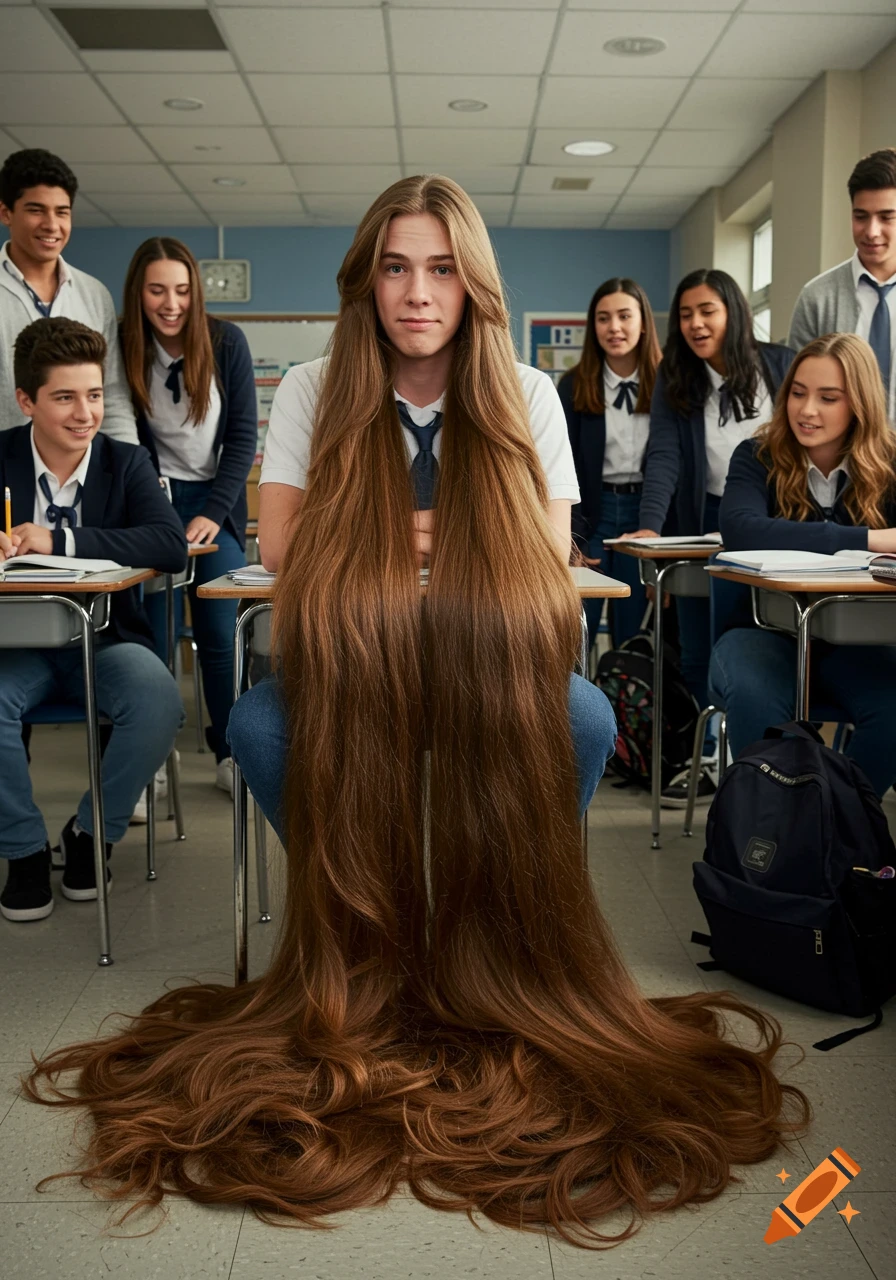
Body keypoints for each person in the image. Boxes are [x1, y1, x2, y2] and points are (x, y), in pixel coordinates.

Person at [23, 179, 808, 1245]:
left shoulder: (526, 391)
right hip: (350, 664)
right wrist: (449, 535)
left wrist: (391, 530)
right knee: (258, 728)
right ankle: (376, 927)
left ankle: (498, 921)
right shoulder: (311, 386)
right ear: (366, 278)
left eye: (440, 267)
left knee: (580, 719)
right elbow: (291, 552)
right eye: (395, 266)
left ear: (471, 280)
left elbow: (543, 550)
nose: (416, 291)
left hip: (483, 659)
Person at [0, 318, 186, 923]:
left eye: (95, 395)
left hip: (107, 642)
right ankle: (24, 850)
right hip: (15, 651)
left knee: (159, 700)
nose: (85, 414)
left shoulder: (126, 463)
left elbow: (169, 544)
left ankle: (89, 834)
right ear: (26, 400)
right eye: (64, 397)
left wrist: (59, 538)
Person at [630, 268, 794, 806]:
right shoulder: (676, 376)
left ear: (733, 312)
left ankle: (771, 756)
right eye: (685, 314)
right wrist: (652, 527)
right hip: (704, 525)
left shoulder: (780, 363)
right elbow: (664, 457)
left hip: (777, 524)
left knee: (767, 638)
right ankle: (712, 757)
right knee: (698, 645)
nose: (696, 324)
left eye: (708, 311)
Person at [711, 332, 896, 797]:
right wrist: (871, 539)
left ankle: (840, 829)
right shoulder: (756, 455)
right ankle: (768, 836)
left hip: (857, 643)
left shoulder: (890, 464)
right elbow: (742, 531)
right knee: (757, 696)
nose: (807, 410)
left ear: (860, 404)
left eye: (828, 398)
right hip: (762, 636)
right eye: (797, 393)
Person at [119, 237, 257, 797]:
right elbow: (126, 439)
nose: (171, 303)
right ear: (139, 293)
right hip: (150, 502)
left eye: (181, 289)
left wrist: (215, 512)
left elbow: (244, 436)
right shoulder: (124, 347)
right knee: (153, 633)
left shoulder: (226, 342)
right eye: (157, 290)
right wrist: (157, 508)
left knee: (220, 632)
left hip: (214, 503)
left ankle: (228, 751)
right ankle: (151, 754)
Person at [0, 149, 137, 441]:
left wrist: (128, 468)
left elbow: (112, 394)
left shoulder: (94, 294)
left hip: (81, 475)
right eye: (36, 210)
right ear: (6, 213)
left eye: (62, 212)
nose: (52, 225)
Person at [558, 277, 661, 649]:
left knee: (633, 633)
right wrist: (571, 534)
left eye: (624, 316)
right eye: (603, 318)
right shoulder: (572, 386)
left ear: (644, 322)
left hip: (645, 517)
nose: (614, 327)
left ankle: (626, 705)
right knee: (576, 627)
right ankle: (582, 705)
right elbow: (561, 465)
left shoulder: (667, 383)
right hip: (592, 513)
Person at [789, 148, 896, 421]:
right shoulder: (817, 297)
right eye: (861, 216)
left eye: (887, 217)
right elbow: (796, 390)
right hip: (839, 458)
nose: (871, 231)